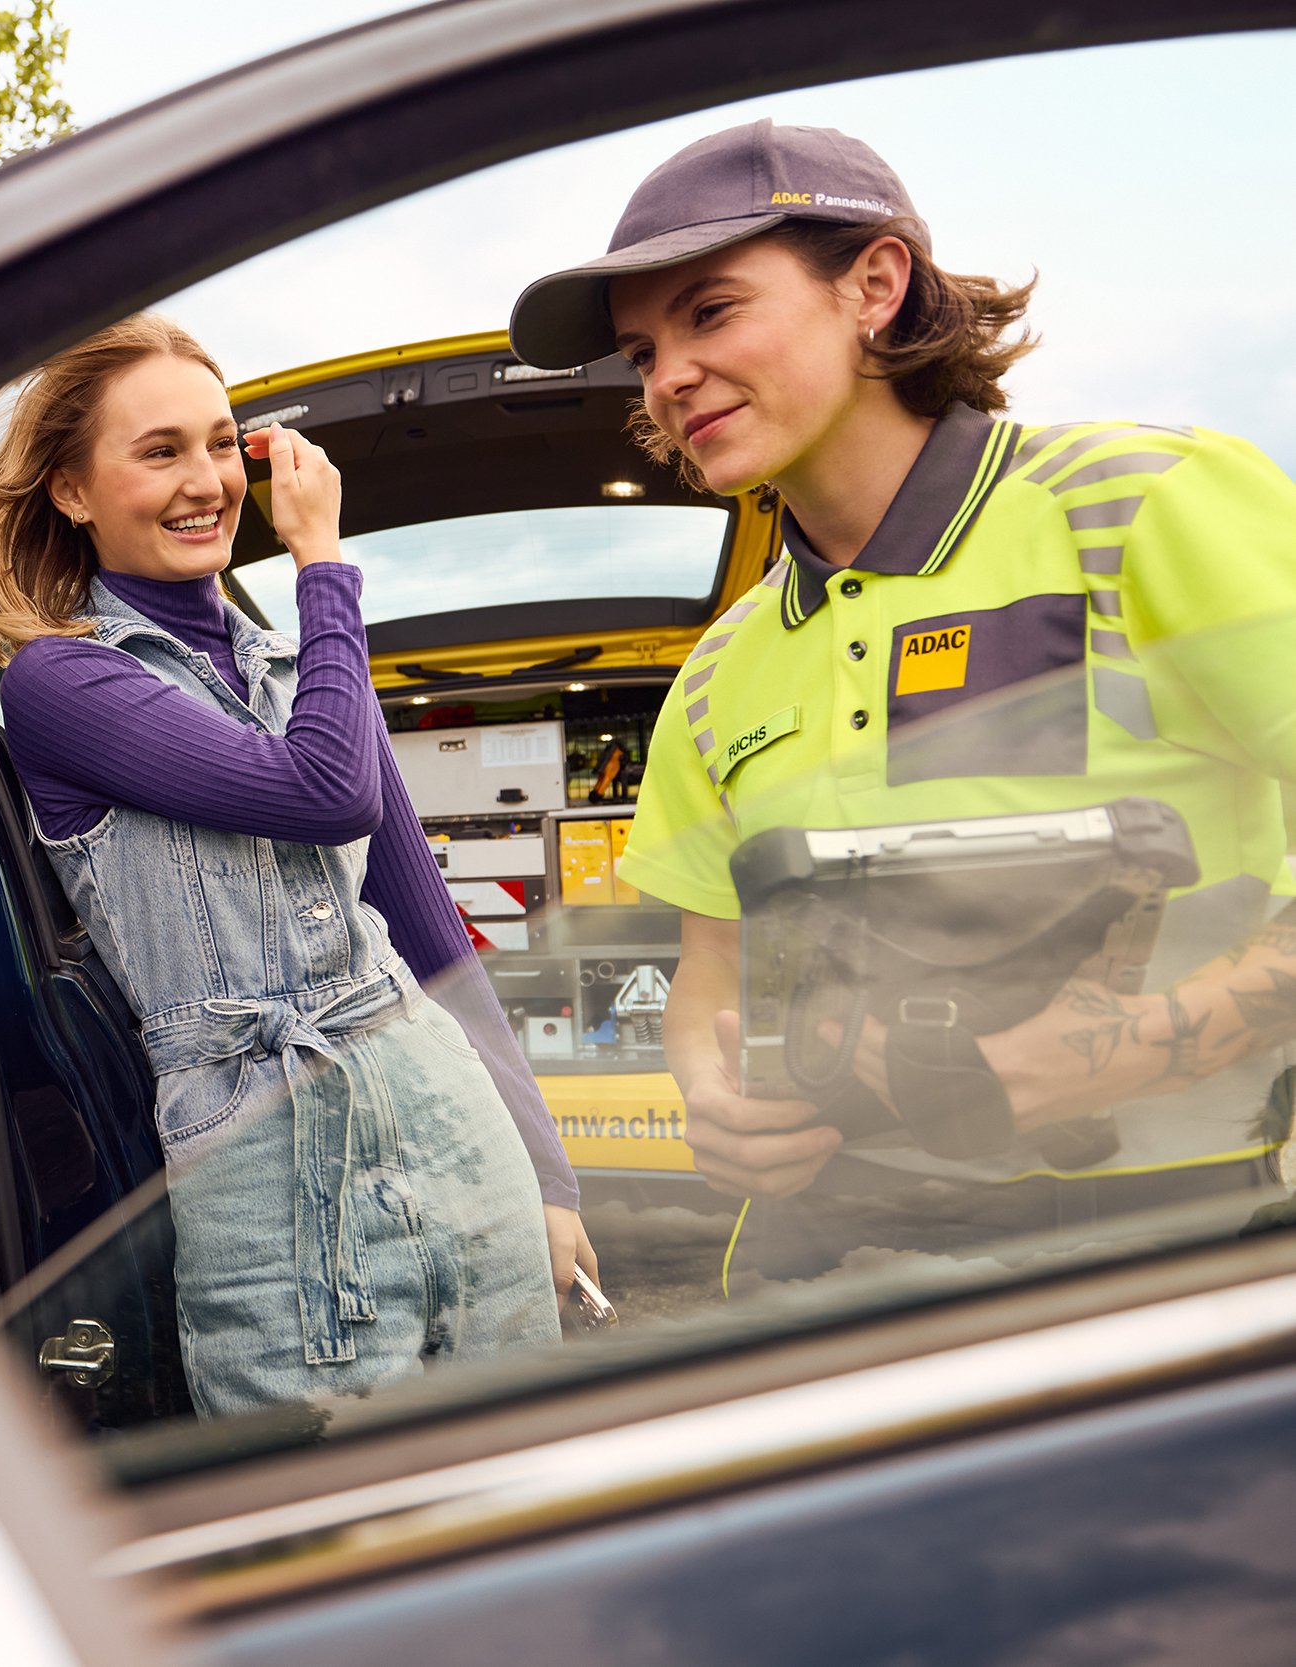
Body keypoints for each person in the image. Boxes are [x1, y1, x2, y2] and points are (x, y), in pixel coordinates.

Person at [509, 120, 1296, 1285]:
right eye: (639, 353)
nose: (667, 377)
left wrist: (1120, 1053)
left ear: (873, 286)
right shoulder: (722, 666)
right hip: (825, 1266)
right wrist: (709, 1095)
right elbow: (710, 974)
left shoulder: (1143, 504)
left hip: (1165, 1251)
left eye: (712, 313)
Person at [0, 316, 585, 1415]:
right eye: (159, 452)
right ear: (71, 490)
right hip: (265, 1158)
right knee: (317, 1536)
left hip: (445, 1113)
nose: (204, 480)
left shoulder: (301, 662)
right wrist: (322, 562)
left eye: (218, 444)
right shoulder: (62, 681)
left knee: (530, 1479)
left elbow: (423, 921)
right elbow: (324, 793)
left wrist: (544, 1171)